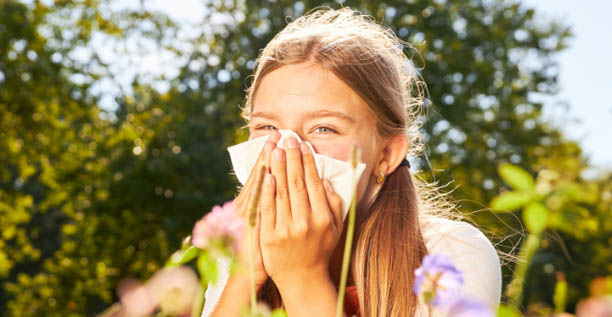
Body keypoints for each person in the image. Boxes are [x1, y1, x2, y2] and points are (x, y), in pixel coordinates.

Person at [202, 7, 501, 317]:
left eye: (323, 128)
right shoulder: (236, 251)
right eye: (268, 127)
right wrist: (244, 277)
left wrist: (301, 277)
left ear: (386, 156)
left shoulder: (450, 256)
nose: (286, 149)